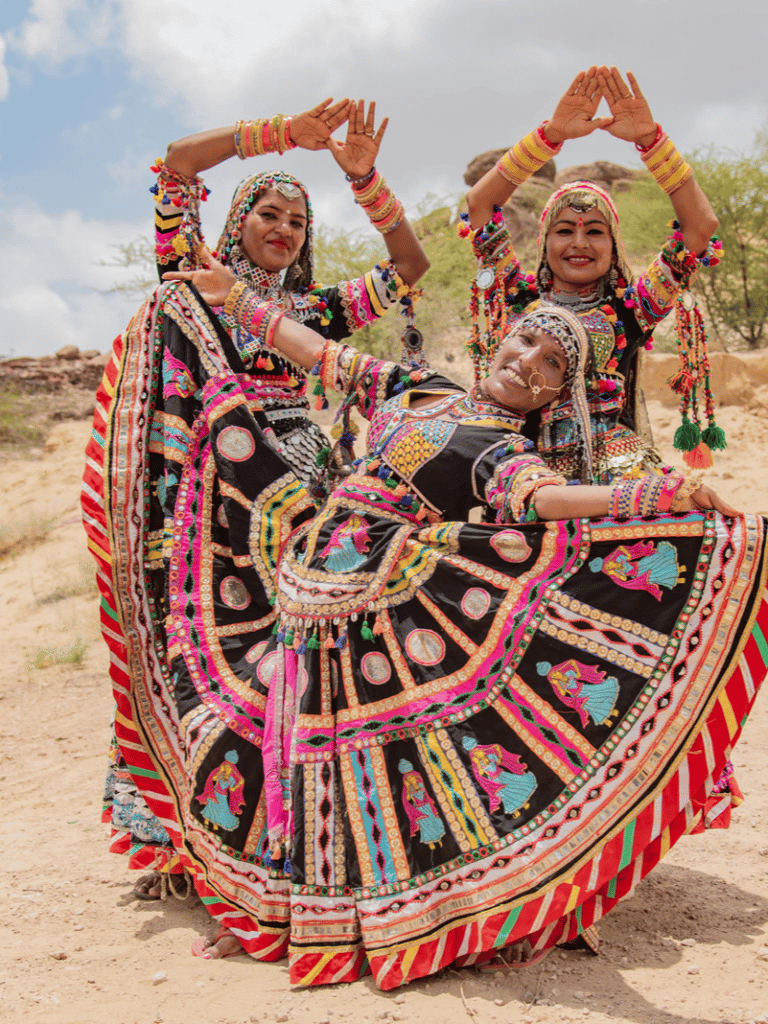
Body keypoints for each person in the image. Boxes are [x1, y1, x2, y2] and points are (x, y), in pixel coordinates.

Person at [96, 238, 768, 986]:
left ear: (555, 395)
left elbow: (543, 501)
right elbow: (326, 357)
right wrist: (237, 302)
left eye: (552, 365)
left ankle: (314, 915)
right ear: (502, 336)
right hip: (300, 584)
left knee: (334, 762)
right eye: (528, 340)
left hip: (367, 614)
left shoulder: (503, 452)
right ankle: (258, 904)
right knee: (263, 745)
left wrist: (654, 496)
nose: (530, 363)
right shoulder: (419, 389)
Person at [82, 97, 430, 901]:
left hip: (300, 491)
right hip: (202, 498)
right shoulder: (194, 280)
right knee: (191, 644)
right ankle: (178, 847)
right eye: (267, 213)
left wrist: (364, 181)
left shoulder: (313, 311)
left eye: (296, 221)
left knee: (292, 651)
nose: (282, 228)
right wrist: (277, 136)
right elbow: (175, 163)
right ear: (234, 220)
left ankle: (288, 842)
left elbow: (409, 269)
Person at [462, 65, 724, 483]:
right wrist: (548, 137)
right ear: (545, 246)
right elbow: (479, 205)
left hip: (616, 475)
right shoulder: (518, 297)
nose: (579, 242)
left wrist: (651, 142)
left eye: (595, 232)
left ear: (614, 247)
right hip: (514, 470)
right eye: (564, 231)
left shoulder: (630, 310)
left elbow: (700, 227)